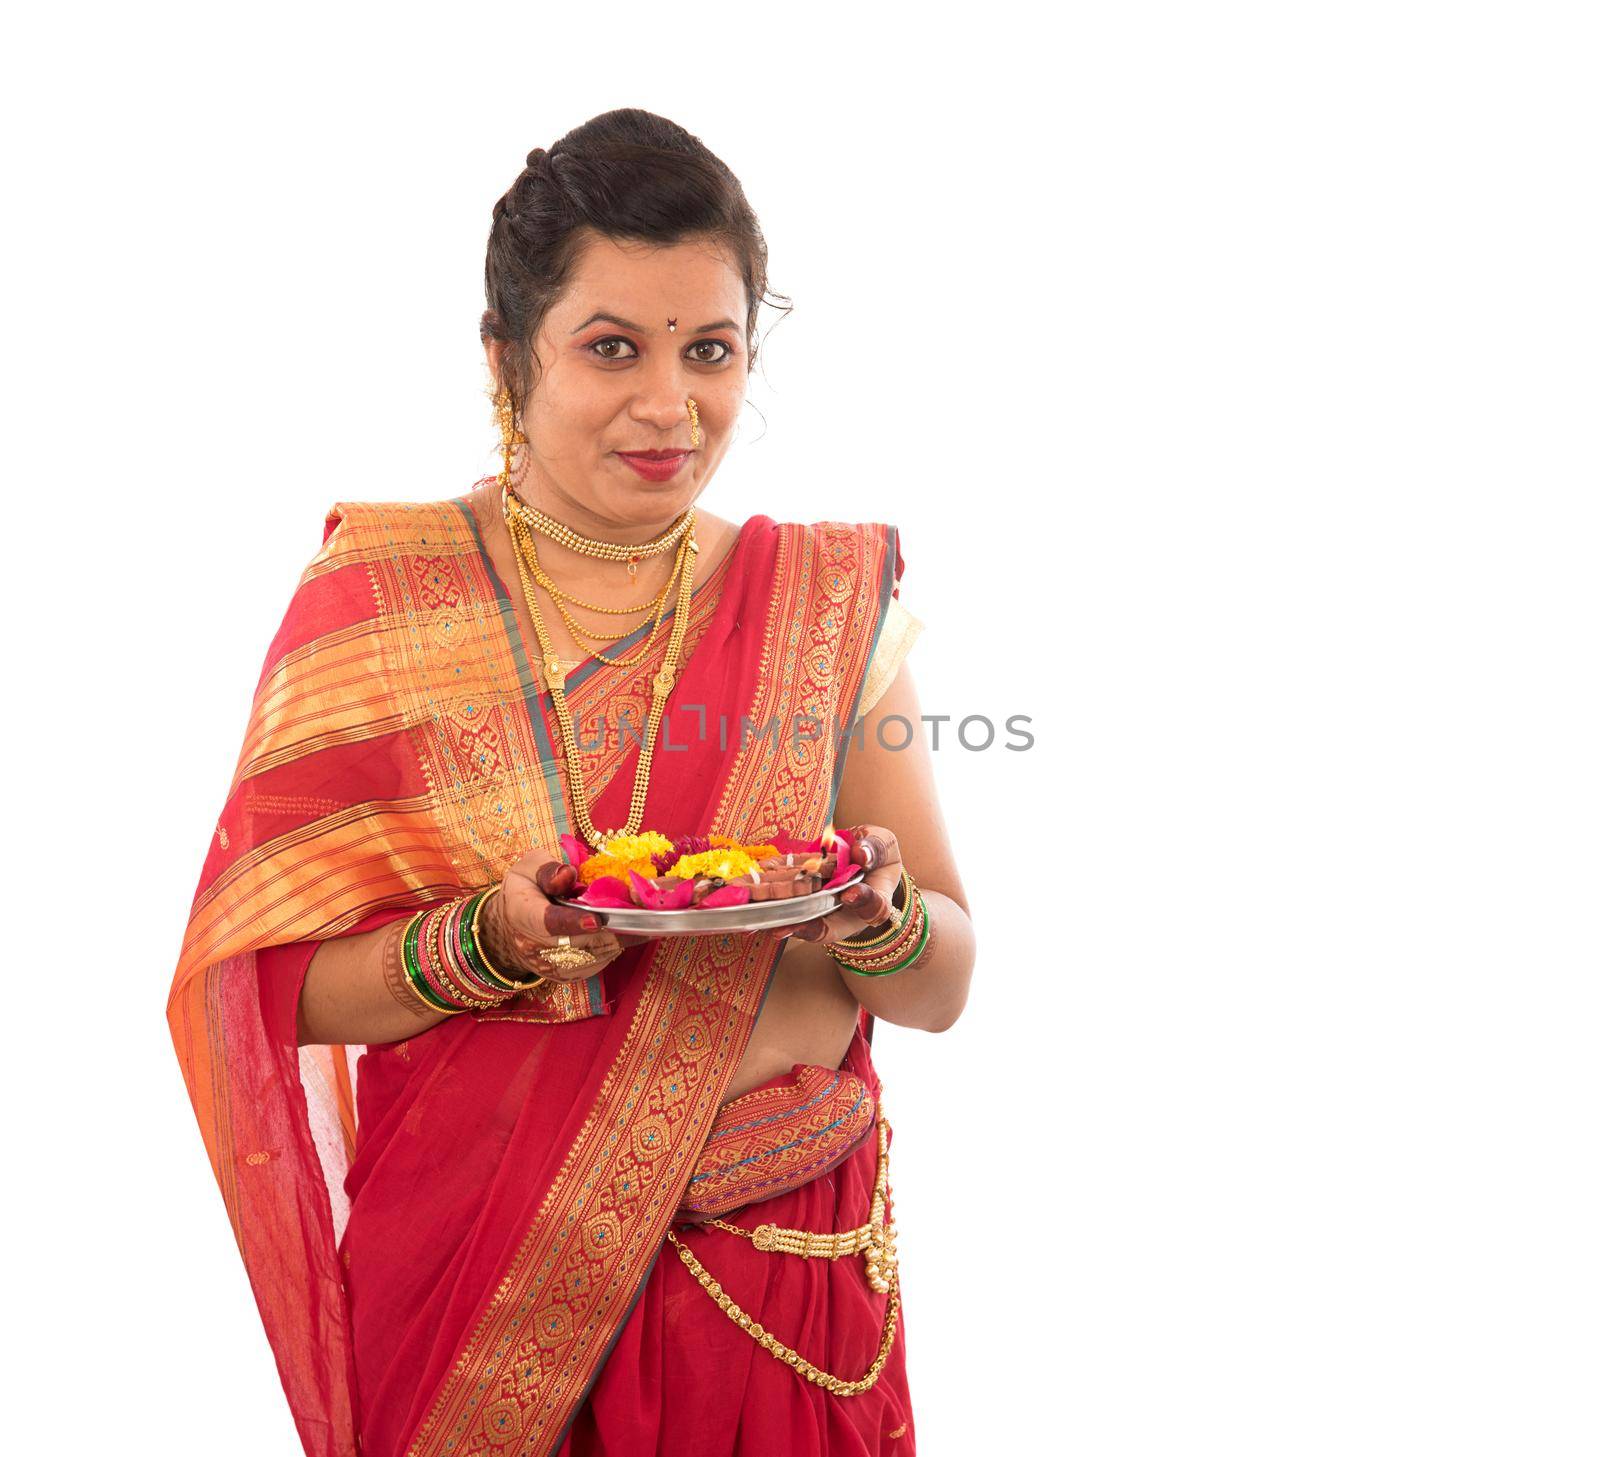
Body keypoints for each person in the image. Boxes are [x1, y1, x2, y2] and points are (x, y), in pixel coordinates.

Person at [166, 108, 975, 1457]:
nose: (672, 406)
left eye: (709, 351)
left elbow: (943, 980)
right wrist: (487, 941)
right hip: (488, 1288)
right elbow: (263, 982)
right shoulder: (384, 600)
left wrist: (874, 919)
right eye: (613, 348)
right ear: (506, 356)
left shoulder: (827, 601)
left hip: (786, 1281)